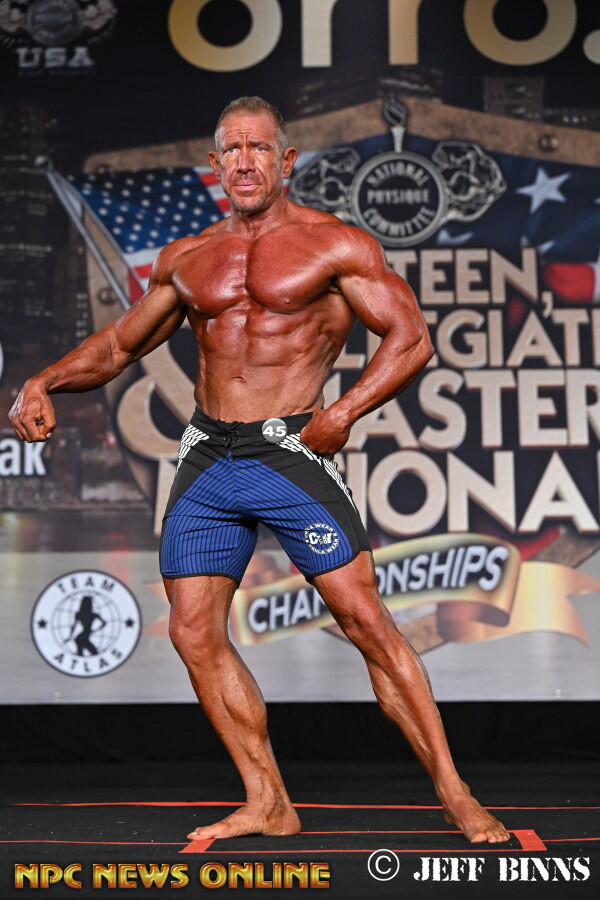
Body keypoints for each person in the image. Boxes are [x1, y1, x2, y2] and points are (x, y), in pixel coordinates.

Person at [9, 96, 509, 844]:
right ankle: (268, 799)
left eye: (259, 148)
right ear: (215, 165)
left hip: (289, 451)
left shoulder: (335, 244)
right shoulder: (187, 257)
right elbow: (118, 346)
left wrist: (344, 412)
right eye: (232, 150)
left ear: (286, 161)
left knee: (366, 622)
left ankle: (455, 790)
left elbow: (410, 338)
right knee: (192, 632)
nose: (245, 161)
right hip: (209, 453)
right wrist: (44, 380)